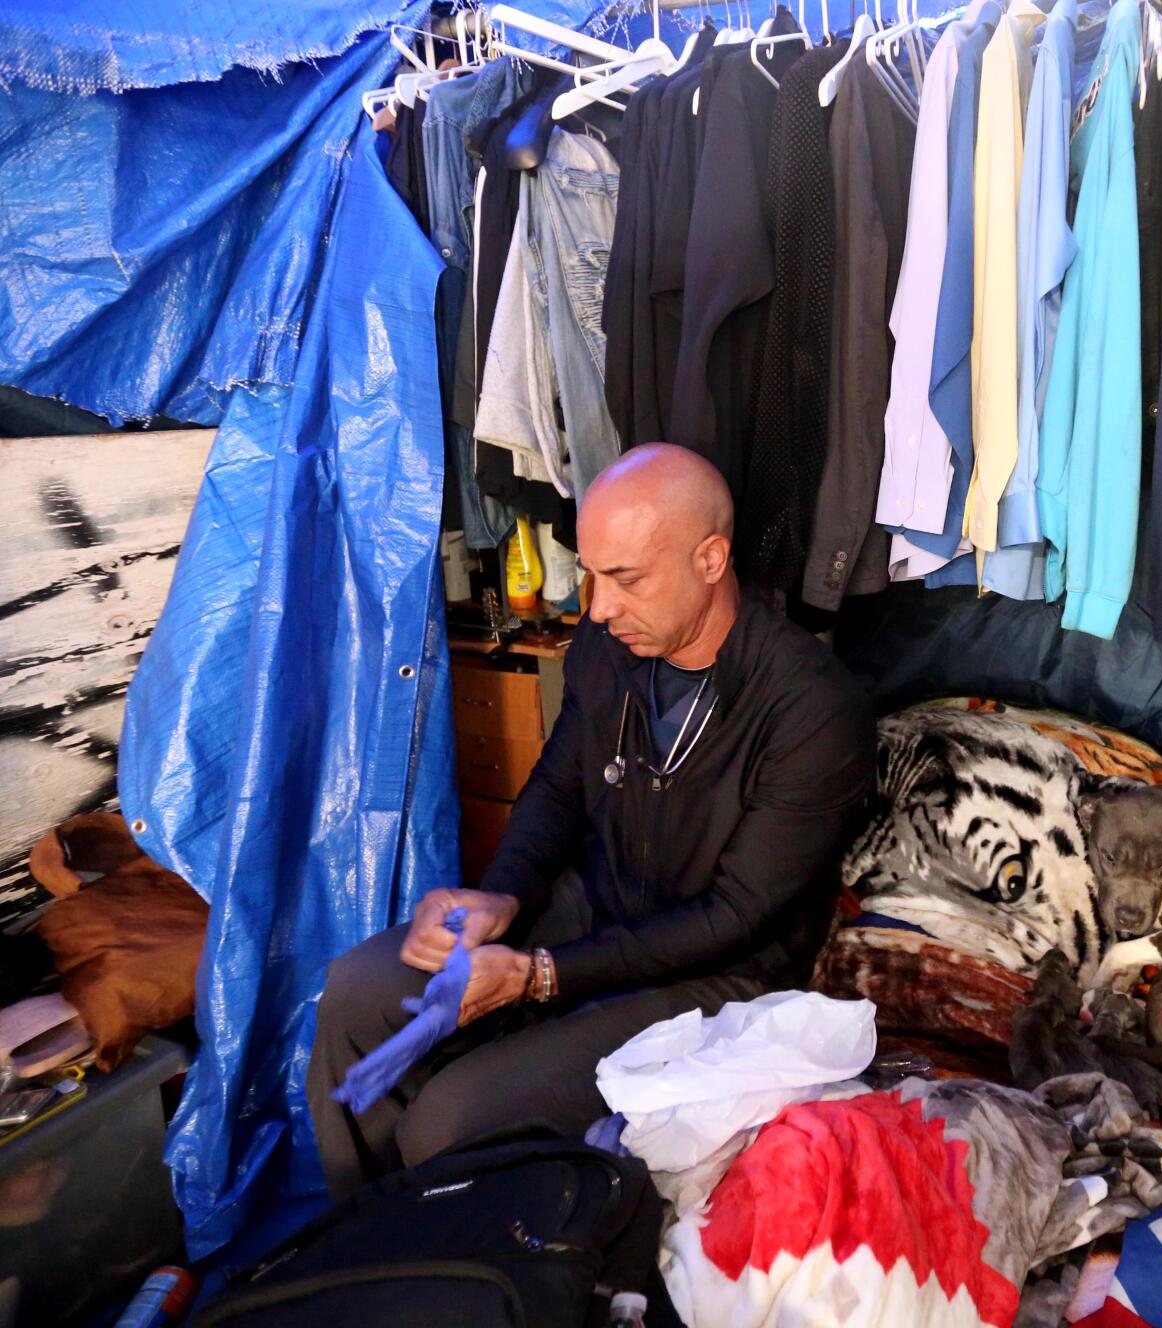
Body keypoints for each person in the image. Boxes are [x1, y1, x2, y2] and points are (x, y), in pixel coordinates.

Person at [306, 443, 877, 1197]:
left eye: (626, 579)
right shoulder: (607, 653)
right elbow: (557, 790)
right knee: (356, 992)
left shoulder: (811, 708)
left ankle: (476, 1271)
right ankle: (371, 1241)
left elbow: (736, 914)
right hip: (596, 908)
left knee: (450, 1117)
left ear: (710, 560)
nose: (598, 607)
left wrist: (540, 976)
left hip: (718, 973)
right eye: (593, 574)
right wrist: (502, 896)